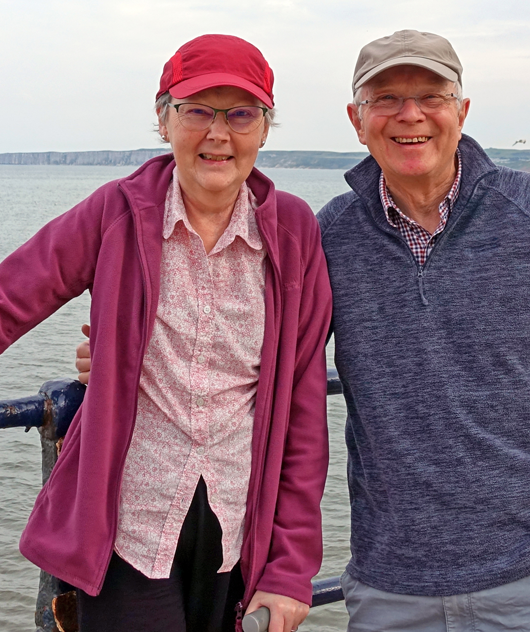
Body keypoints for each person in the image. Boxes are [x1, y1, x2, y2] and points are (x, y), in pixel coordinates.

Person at [0, 34, 331, 632]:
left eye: (241, 113)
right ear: (163, 119)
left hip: (236, 529)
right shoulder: (118, 212)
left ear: (264, 127)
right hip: (129, 524)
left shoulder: (293, 234)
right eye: (197, 110)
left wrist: (289, 567)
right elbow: (13, 293)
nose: (218, 133)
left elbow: (303, 408)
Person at [316, 30, 530, 631]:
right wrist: (130, 354)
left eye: (431, 95)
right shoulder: (330, 233)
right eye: (385, 98)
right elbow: (260, 355)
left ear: (461, 111)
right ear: (358, 121)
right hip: (391, 590)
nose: (411, 115)